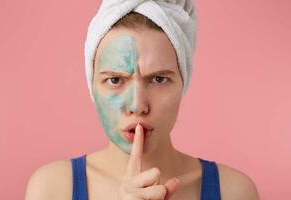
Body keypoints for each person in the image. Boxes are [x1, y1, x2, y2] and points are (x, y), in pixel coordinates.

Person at [25, 1, 260, 200]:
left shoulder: (234, 191)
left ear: (183, 83)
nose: (138, 105)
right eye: (115, 80)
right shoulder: (52, 188)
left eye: (158, 79)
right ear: (92, 86)